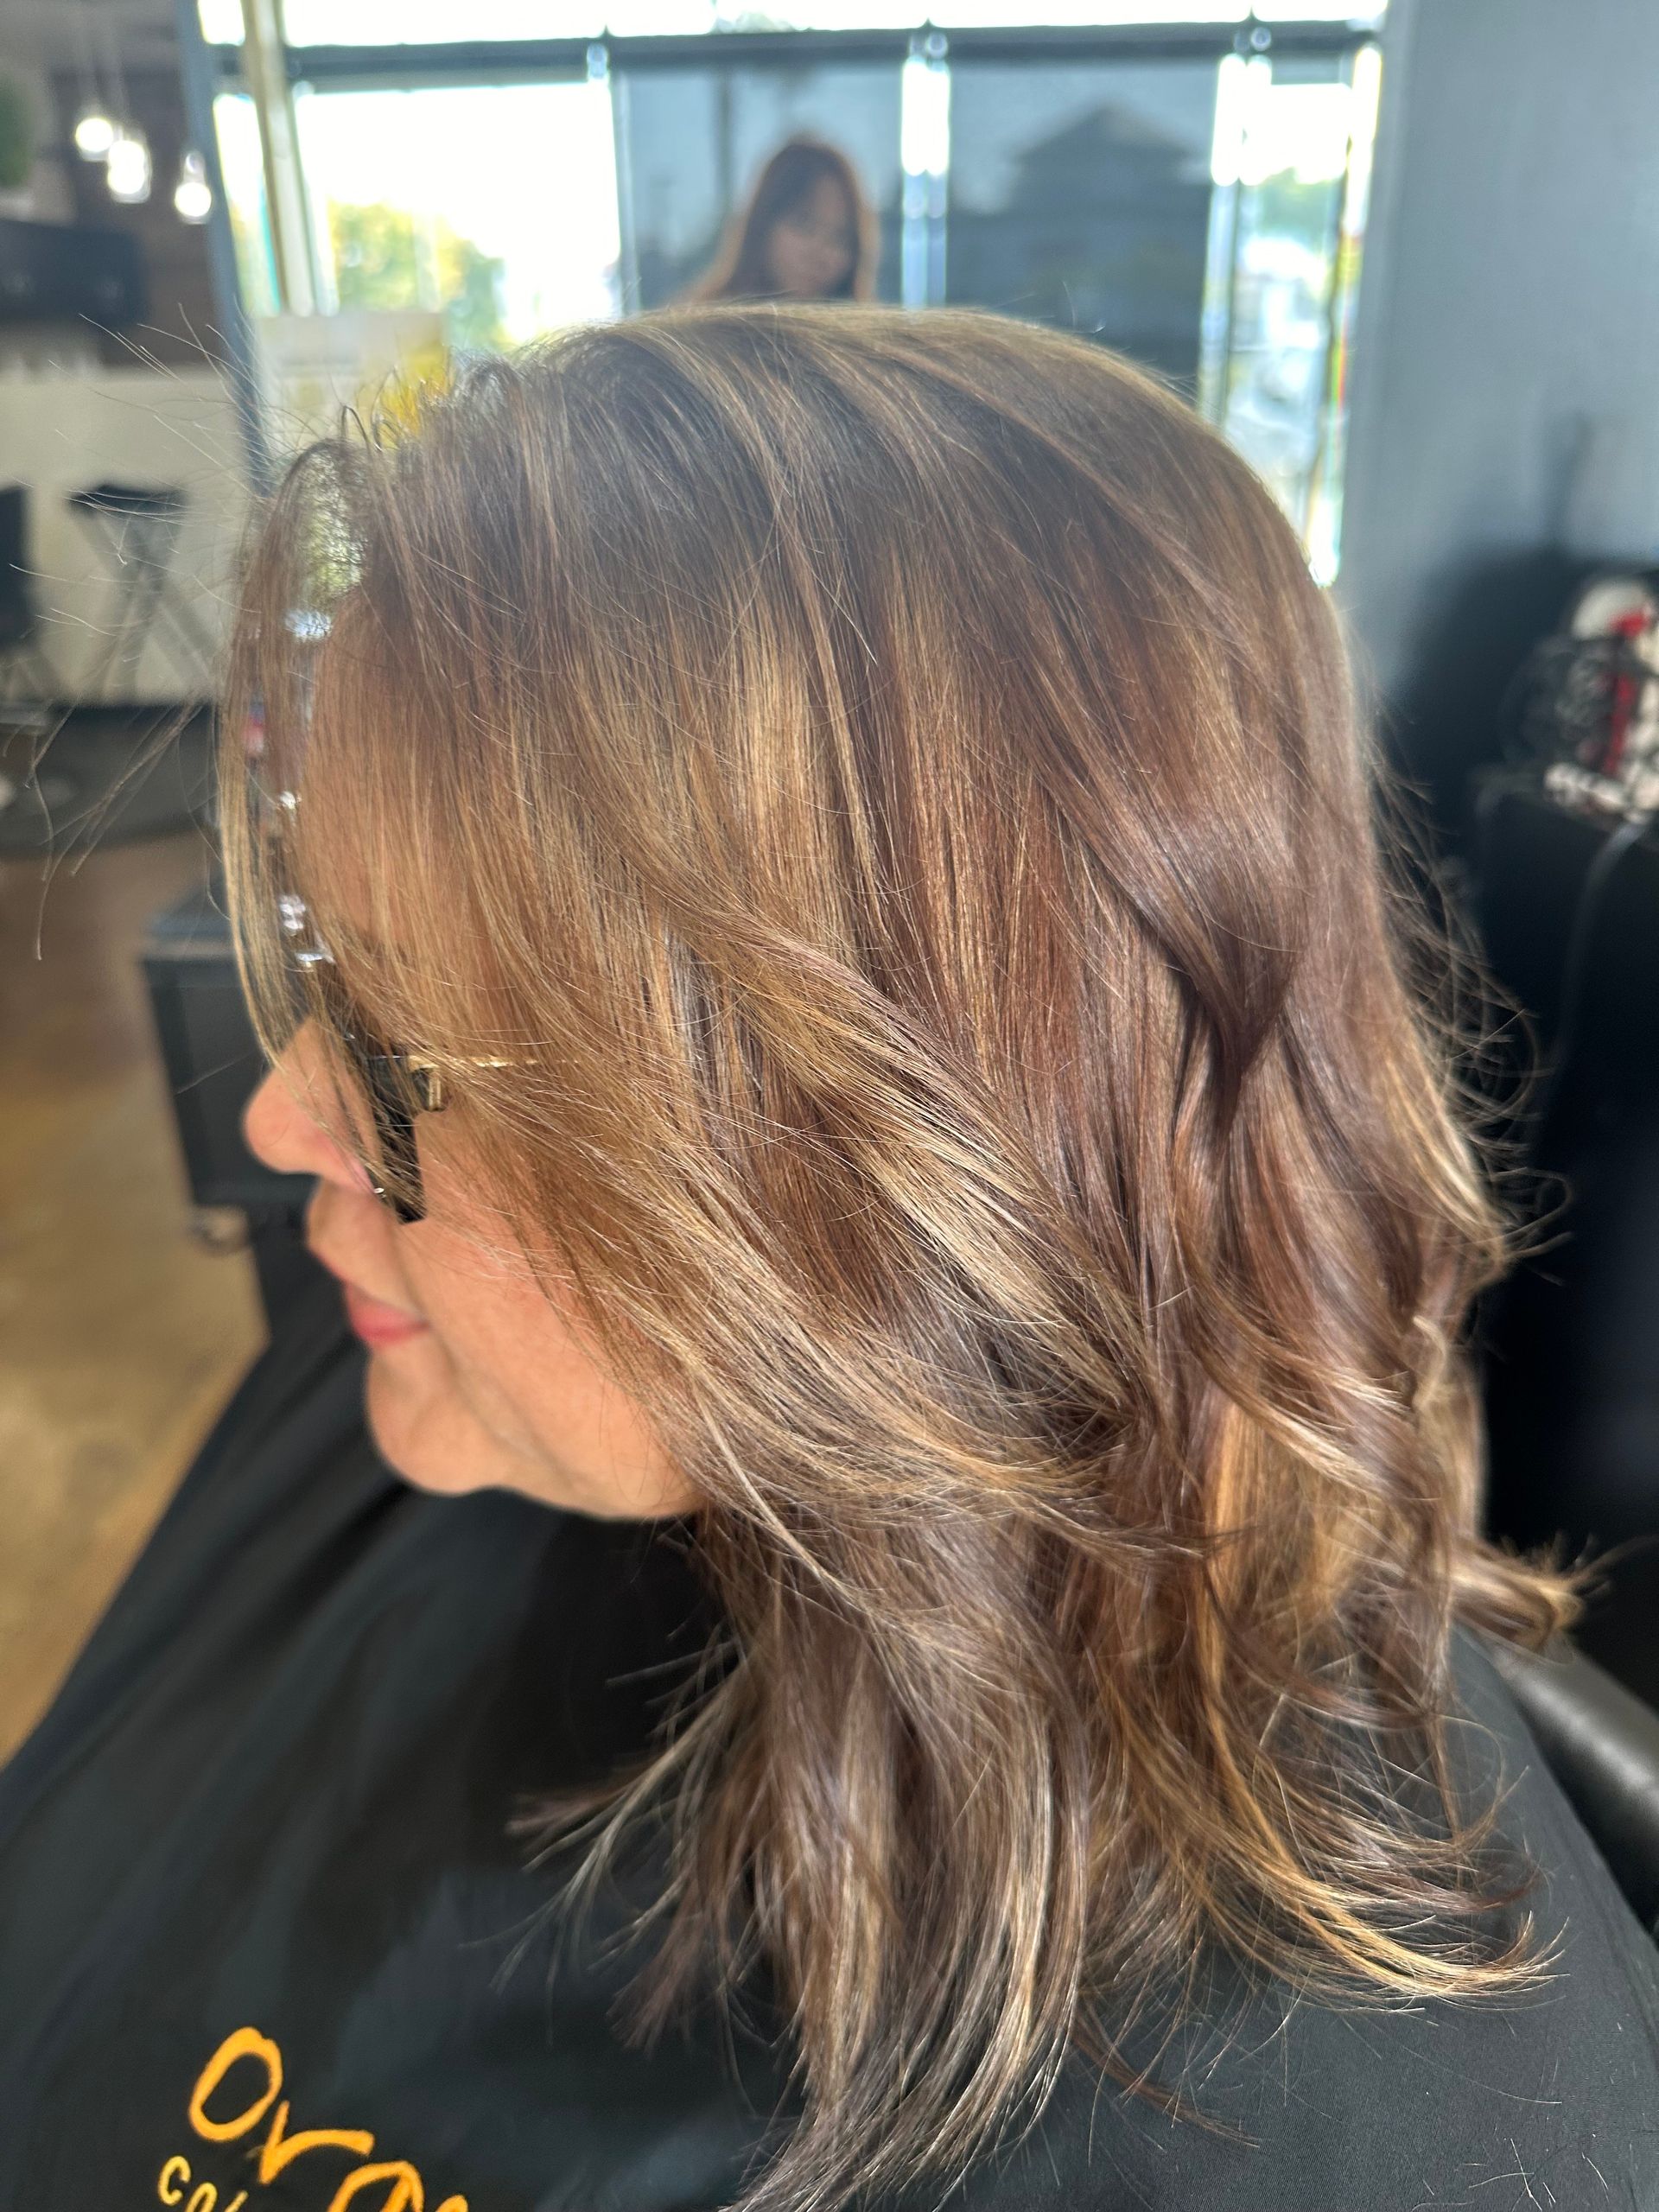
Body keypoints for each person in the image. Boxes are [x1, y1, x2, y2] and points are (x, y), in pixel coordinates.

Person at [1, 303, 1656, 2212]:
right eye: (318, 945)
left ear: (915, 1166)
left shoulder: (1372, 2146)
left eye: (393, 1037)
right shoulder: (398, 1377)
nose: (286, 1117)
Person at [683, 136, 876, 304]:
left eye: (839, 239)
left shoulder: (860, 343)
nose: (820, 253)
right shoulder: (705, 334)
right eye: (804, 225)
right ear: (764, 225)